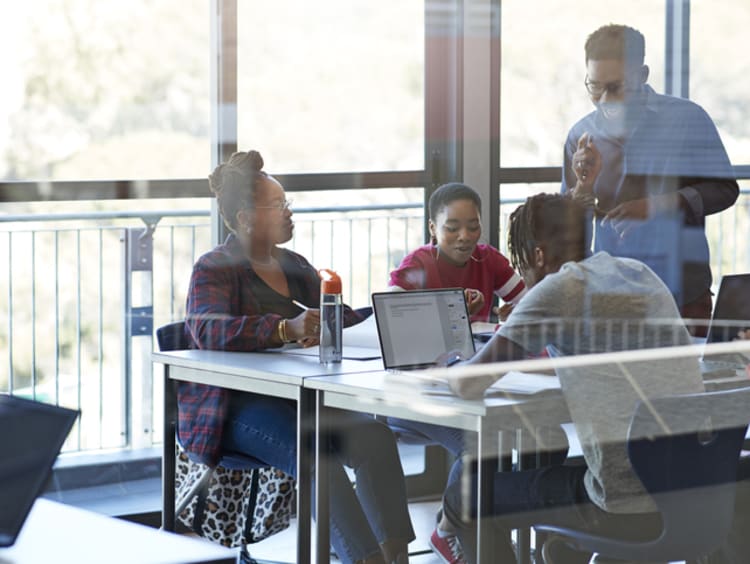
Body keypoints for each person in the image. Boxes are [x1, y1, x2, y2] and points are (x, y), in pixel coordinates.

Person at [440, 193, 704, 563]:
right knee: (553, 479)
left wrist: (452, 363)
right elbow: (602, 359)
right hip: (692, 497)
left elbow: (470, 383)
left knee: (463, 497)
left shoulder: (558, 289)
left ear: (538, 256)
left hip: (622, 506)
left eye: (522, 265)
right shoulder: (637, 272)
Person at [178, 150, 414, 564]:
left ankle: (395, 557)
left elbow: (337, 321)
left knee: (375, 438)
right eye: (280, 205)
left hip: (293, 401)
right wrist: (283, 328)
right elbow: (206, 328)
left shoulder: (296, 266)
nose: (290, 213)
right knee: (314, 452)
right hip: (232, 407)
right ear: (248, 217)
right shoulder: (214, 267)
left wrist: (392, 314)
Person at [562, 24, 739, 336]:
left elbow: (725, 190)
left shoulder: (688, 119)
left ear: (642, 75)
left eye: (616, 88)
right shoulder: (579, 135)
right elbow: (568, 224)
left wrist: (661, 204)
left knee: (689, 383)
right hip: (611, 295)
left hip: (682, 291)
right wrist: (582, 187)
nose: (604, 100)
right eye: (594, 87)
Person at [389, 182, 526, 323]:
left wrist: (516, 314)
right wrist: (456, 313)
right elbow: (388, 314)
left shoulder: (488, 259)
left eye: (473, 227)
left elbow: (531, 304)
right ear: (433, 228)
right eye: (452, 228)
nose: (465, 237)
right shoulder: (418, 263)